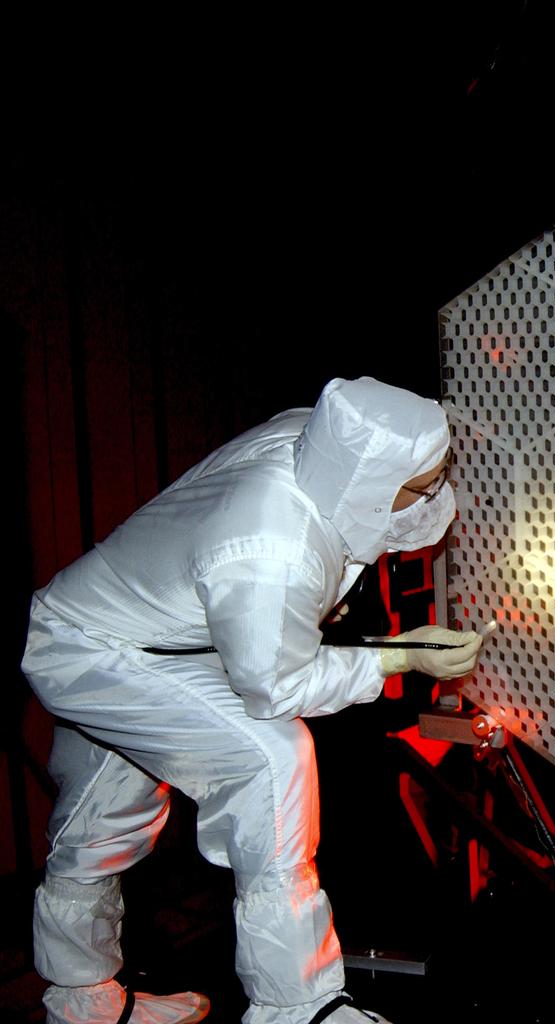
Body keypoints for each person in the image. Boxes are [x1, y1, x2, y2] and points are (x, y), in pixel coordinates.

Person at [21, 376, 483, 1024]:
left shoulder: (311, 436)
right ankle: (297, 1008)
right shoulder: (273, 544)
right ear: (375, 484)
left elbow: (295, 567)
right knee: (271, 759)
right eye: (420, 486)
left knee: (103, 813)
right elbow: (278, 687)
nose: (432, 495)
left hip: (118, 624)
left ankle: (81, 1002)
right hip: (90, 649)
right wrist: (397, 657)